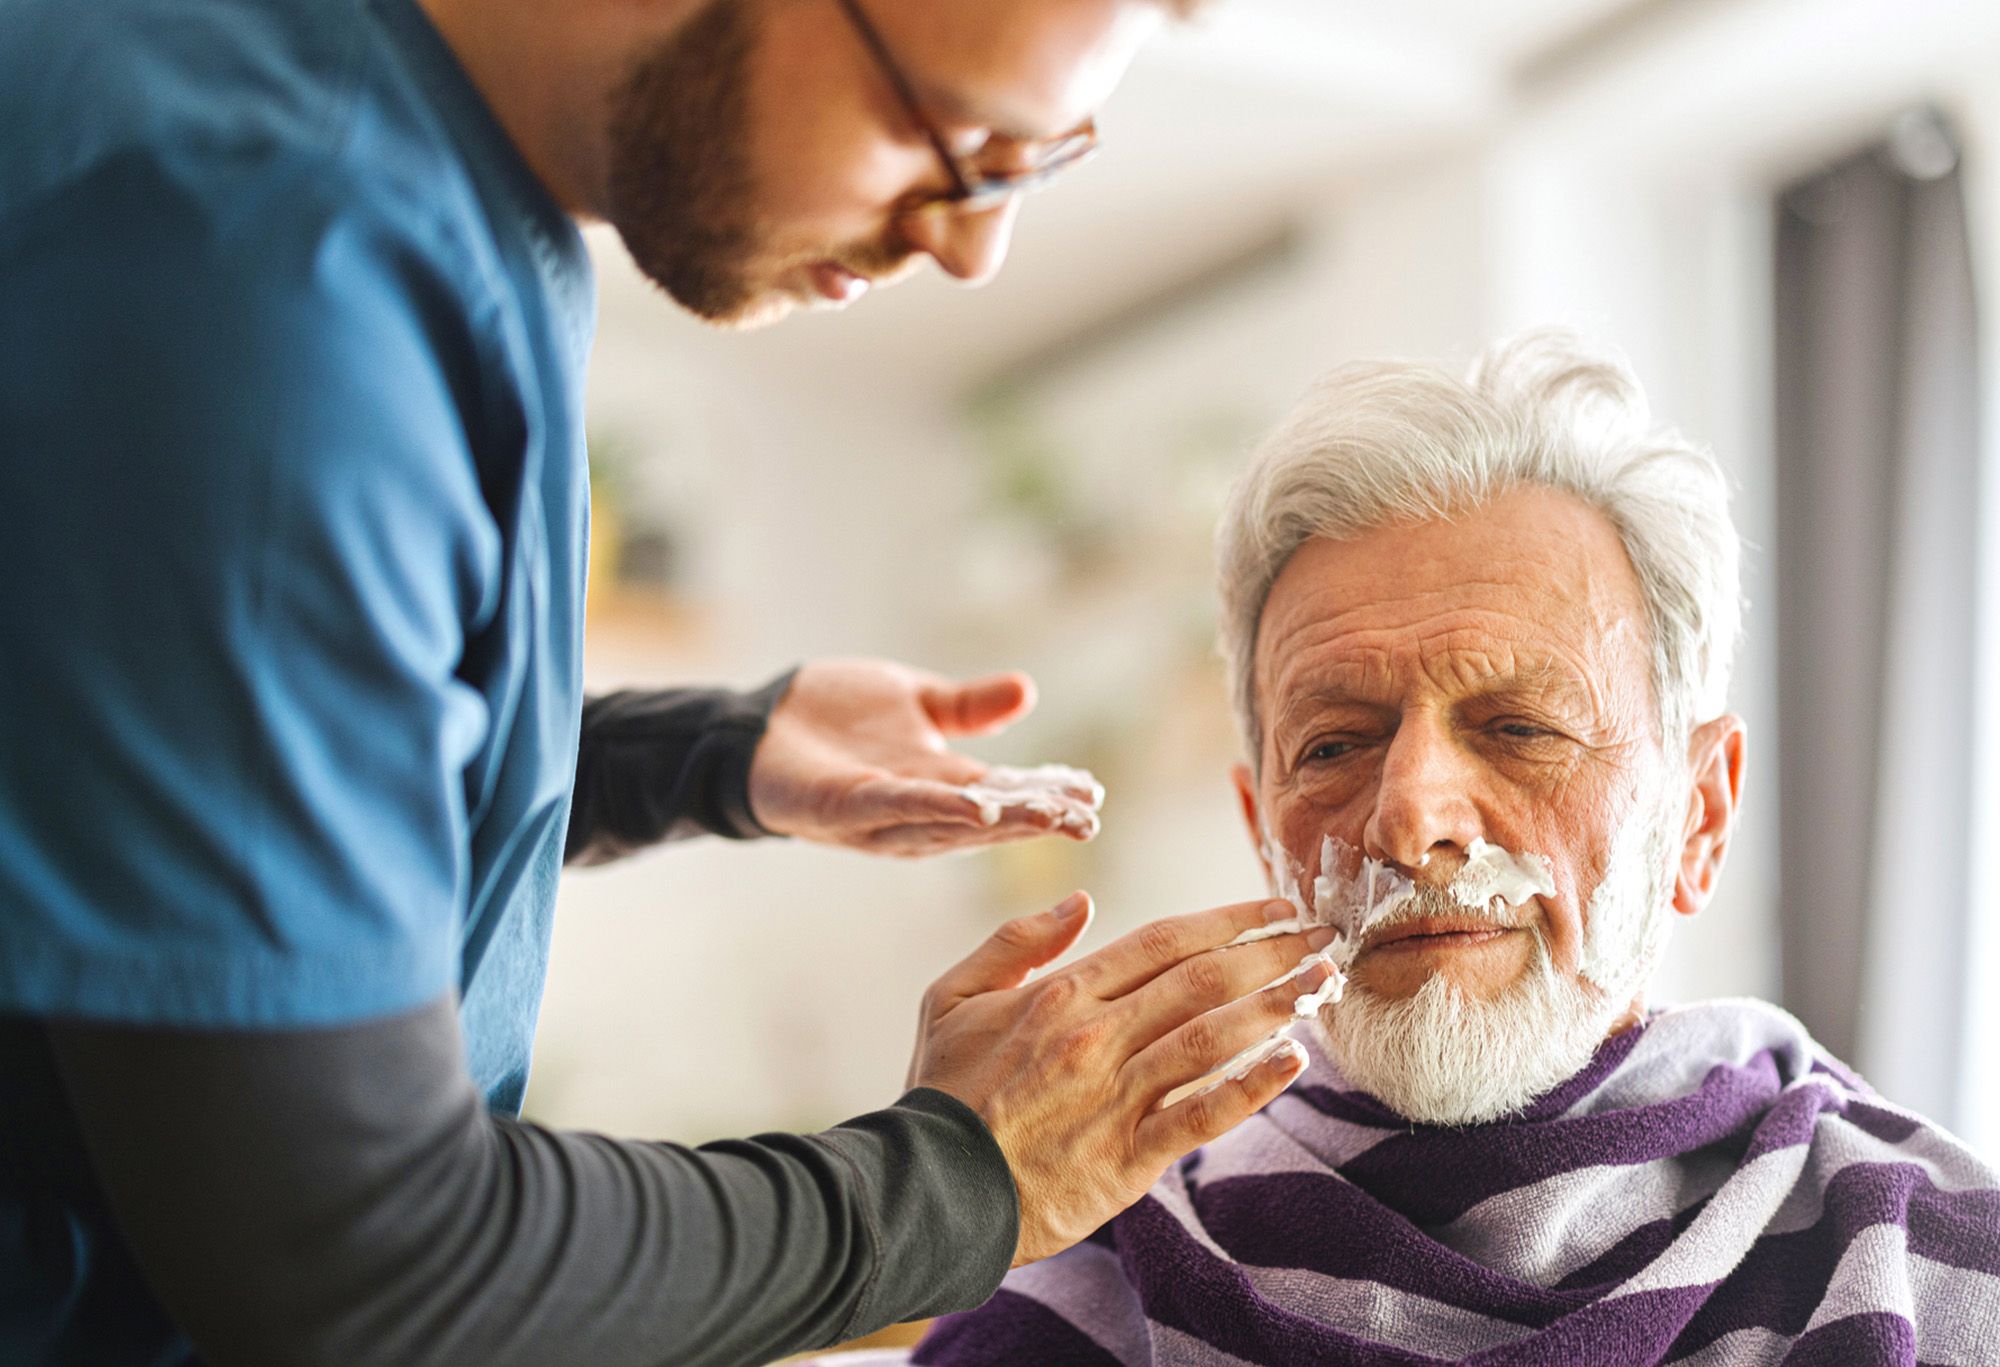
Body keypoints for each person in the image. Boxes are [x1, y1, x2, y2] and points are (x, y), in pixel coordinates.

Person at [0, 0, 1340, 1362]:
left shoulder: (432, 193)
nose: (974, 244)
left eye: (1036, 163)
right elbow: (358, 1249)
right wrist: (962, 1180)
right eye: (957, 135)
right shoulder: (275, 266)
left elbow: (211, 778)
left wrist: (708, 751)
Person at [906, 332, 2000, 1365]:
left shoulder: (1930, 1265)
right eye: (1331, 743)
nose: (1408, 817)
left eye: (1518, 728)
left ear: (1699, 814)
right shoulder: (1074, 1282)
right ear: (1259, 829)